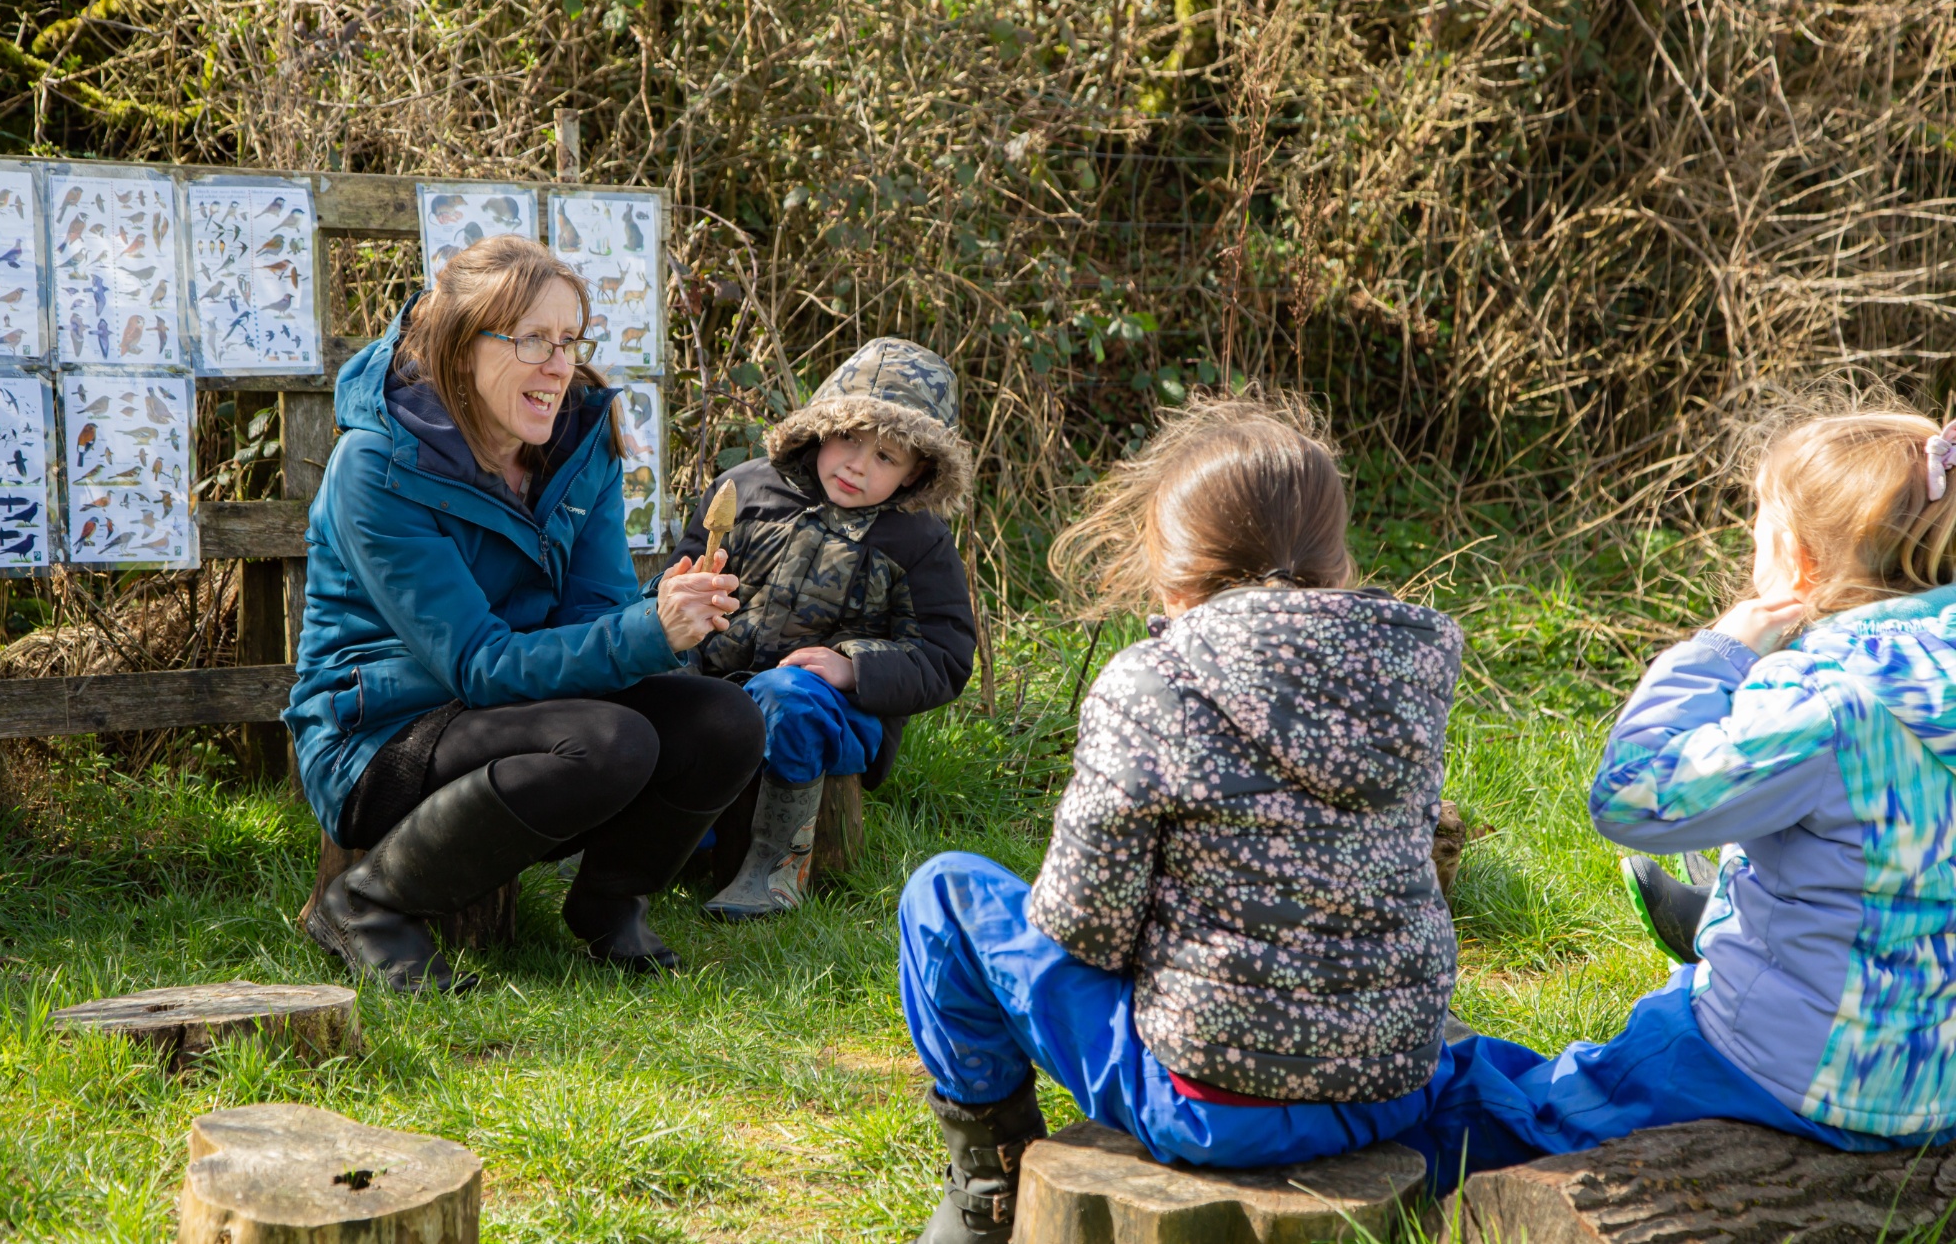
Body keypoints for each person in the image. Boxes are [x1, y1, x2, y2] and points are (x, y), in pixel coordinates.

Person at [894, 394, 1465, 1244]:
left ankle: (988, 1180)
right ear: (1337, 556)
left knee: (944, 894)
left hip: (1211, 1108)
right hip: (1391, 1084)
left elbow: (1086, 930)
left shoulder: (1152, 680)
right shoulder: (1408, 667)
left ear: (1175, 565)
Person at [1401, 406, 1956, 1188]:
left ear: (1798, 564)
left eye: (1757, 530)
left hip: (1806, 1072)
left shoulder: (1823, 700)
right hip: (1935, 1077)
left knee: (1530, 1105)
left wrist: (1717, 651)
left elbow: (1632, 799)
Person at [285, 235, 763, 993]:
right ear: (459, 346)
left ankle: (609, 903)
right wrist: (644, 631)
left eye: (568, 340)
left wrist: (665, 618)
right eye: (533, 339)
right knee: (608, 742)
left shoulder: (580, 439)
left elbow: (598, 611)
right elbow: (476, 663)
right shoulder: (376, 467)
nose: (558, 365)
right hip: (381, 734)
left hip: (523, 708)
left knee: (726, 719)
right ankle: (367, 903)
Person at [657, 337, 976, 921]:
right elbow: (678, 578)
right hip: (721, 689)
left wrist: (855, 667)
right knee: (657, 673)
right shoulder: (750, 489)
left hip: (832, 715)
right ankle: (668, 842)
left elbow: (946, 657)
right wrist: (682, 603)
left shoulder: (918, 541)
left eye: (887, 457)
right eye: (850, 439)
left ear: (918, 472)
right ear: (822, 429)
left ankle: (775, 865)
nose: (858, 464)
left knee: (789, 696)